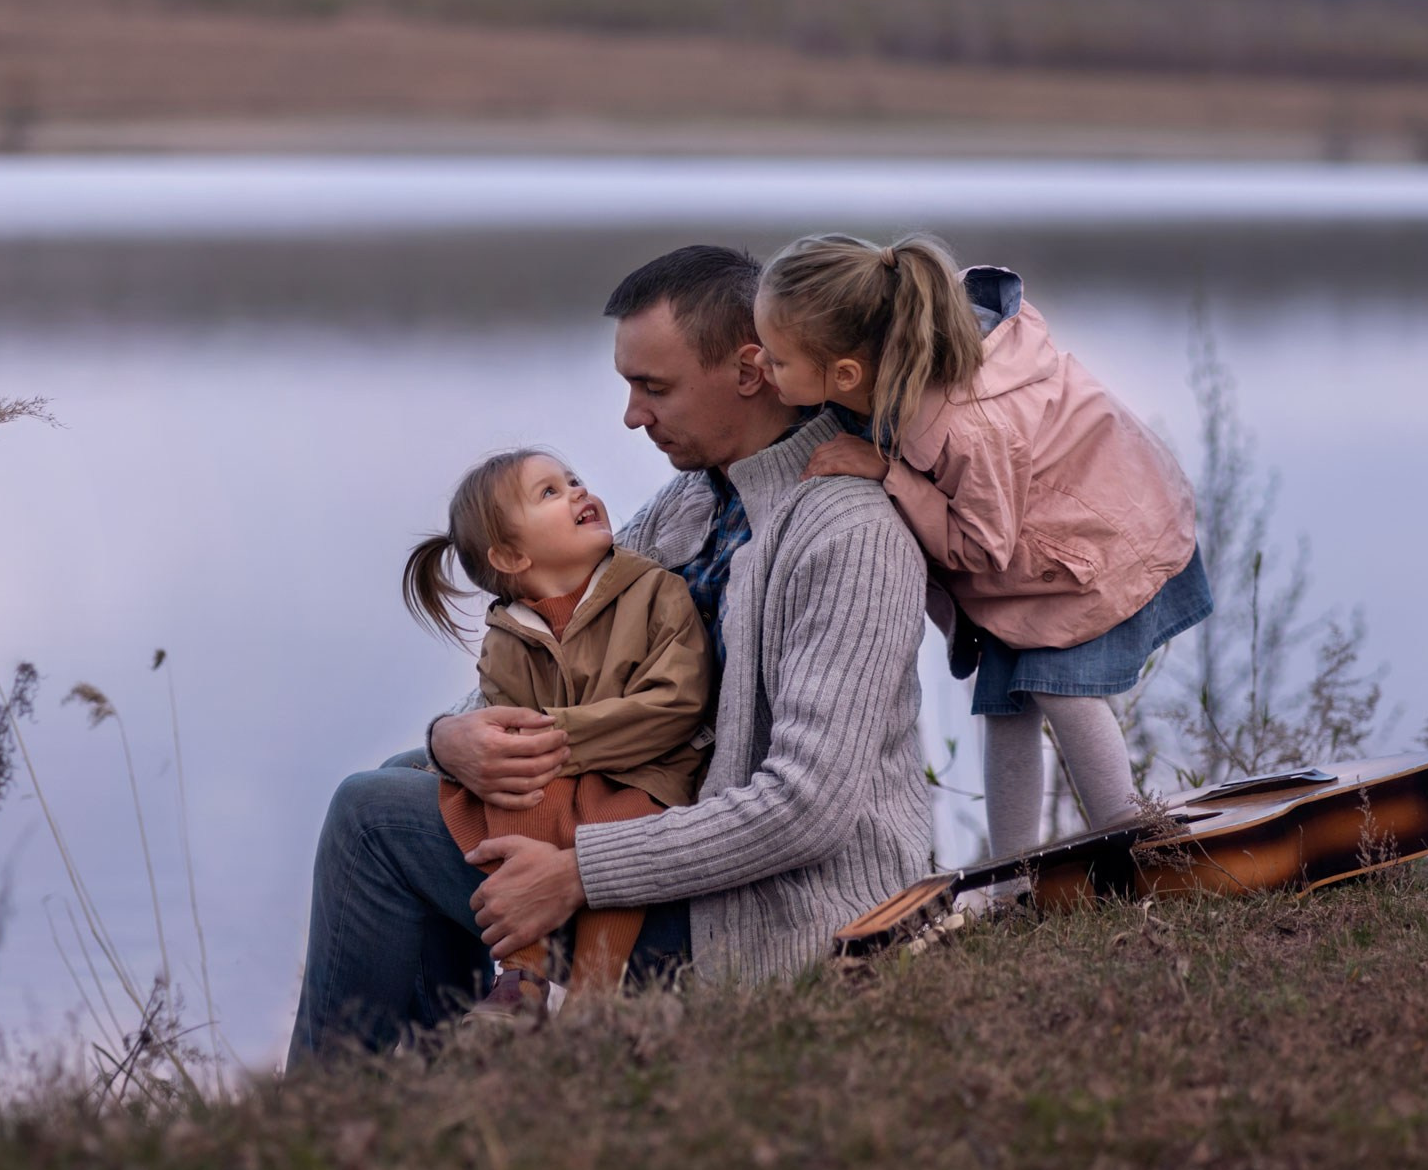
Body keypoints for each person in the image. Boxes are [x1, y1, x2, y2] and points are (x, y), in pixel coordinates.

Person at [288, 245, 933, 1062]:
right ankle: (454, 1074)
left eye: (653, 388)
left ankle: (336, 1112)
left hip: (778, 917)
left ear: (750, 371)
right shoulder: (694, 502)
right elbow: (555, 651)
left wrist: (578, 872)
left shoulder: (847, 534)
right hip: (671, 847)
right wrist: (457, 736)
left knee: (371, 820)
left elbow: (805, 808)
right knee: (412, 769)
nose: (631, 416)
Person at [752, 232, 1210, 861]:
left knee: (1062, 692)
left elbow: (982, 545)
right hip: (1036, 550)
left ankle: (1137, 849)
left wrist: (891, 476)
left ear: (846, 373)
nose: (763, 368)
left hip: (1091, 548)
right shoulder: (898, 369)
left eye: (775, 360)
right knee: (1004, 706)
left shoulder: (967, 426)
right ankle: (1012, 873)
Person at [401, 448, 712, 1022]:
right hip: (555, 780)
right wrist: (507, 752)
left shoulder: (655, 591)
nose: (576, 492)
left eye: (573, 482)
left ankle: (594, 993)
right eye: (549, 492)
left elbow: (678, 704)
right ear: (511, 555)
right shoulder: (506, 638)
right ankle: (522, 974)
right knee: (514, 793)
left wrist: (550, 738)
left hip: (646, 773)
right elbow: (504, 728)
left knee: (620, 824)